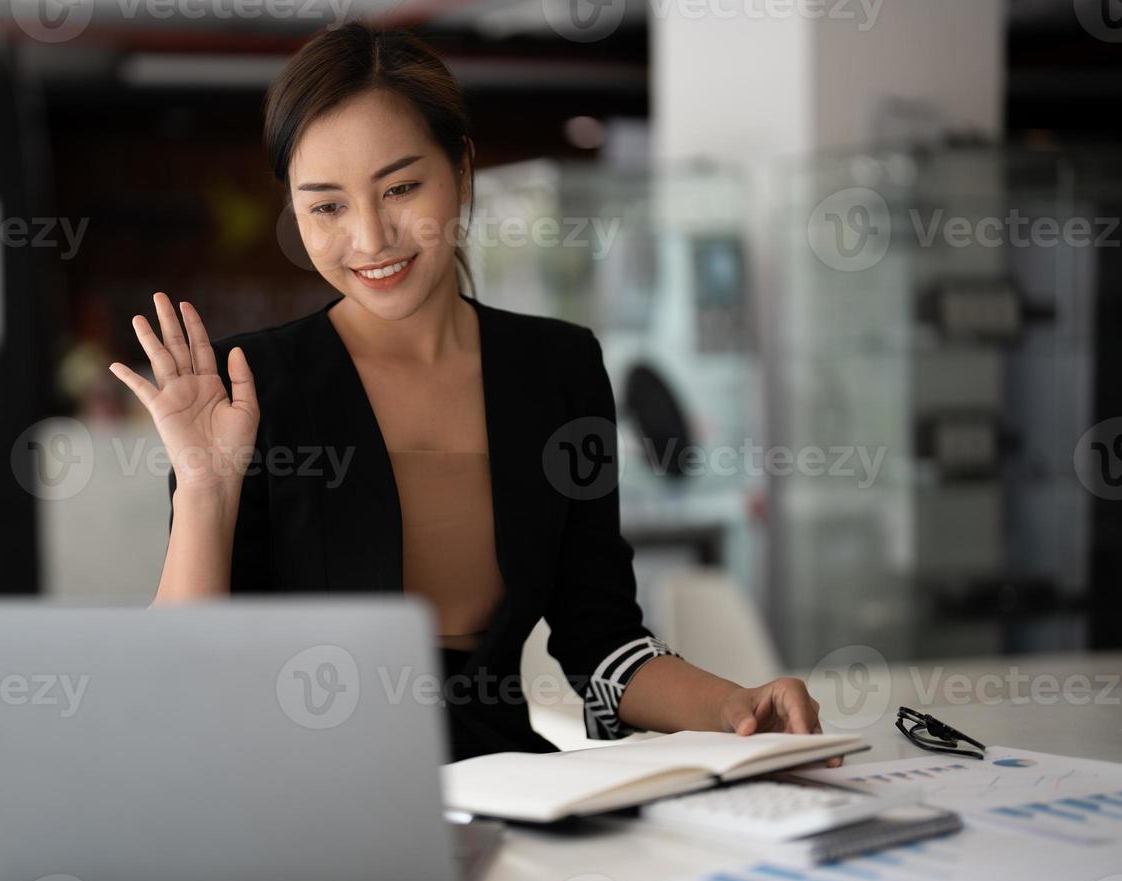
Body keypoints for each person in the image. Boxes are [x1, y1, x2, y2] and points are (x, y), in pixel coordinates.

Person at [109, 21, 836, 765]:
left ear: (461, 170)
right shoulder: (244, 388)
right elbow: (182, 679)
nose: (371, 237)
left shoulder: (559, 367)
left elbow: (602, 644)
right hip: (305, 793)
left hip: (503, 788)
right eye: (327, 206)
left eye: (399, 188)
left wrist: (733, 706)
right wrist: (204, 485)